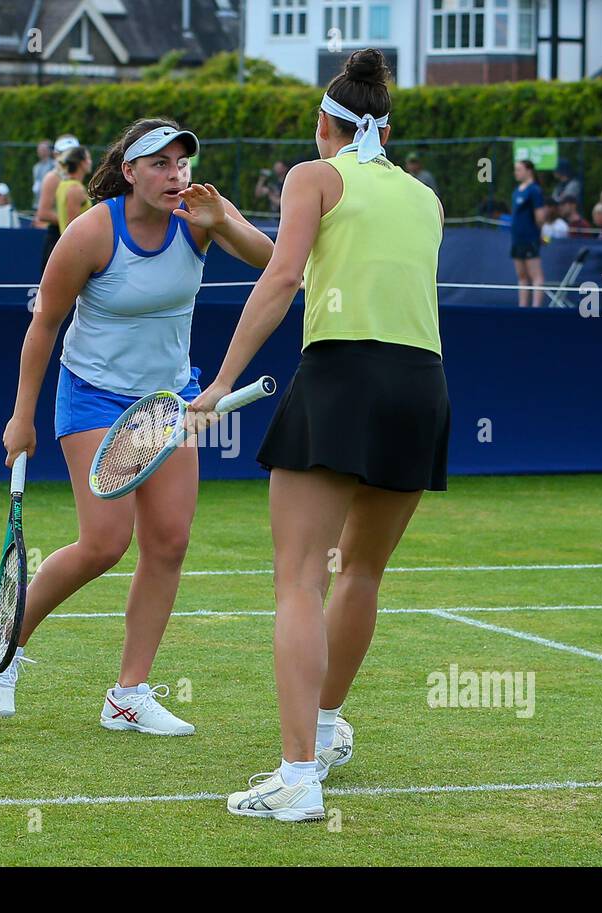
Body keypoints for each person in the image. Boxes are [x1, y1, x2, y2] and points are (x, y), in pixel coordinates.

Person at [190, 47, 449, 821]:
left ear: (323, 124)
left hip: (342, 378)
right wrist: (229, 222)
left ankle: (297, 777)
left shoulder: (312, 176)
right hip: (422, 387)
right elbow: (315, 275)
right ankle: (326, 733)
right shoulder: (425, 199)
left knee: (298, 578)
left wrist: (219, 383)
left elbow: (282, 281)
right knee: (360, 572)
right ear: (386, 128)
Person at [0, 118, 275, 731]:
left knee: (168, 542)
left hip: (171, 401)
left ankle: (129, 696)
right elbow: (44, 326)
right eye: (160, 165)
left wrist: (221, 218)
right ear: (130, 172)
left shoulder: (198, 219)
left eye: (181, 164)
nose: (175, 176)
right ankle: (1, 648)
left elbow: (274, 264)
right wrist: (20, 416)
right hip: (91, 396)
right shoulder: (91, 233)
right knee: (105, 543)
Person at [34, 133, 81, 272]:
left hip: (70, 236)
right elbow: (43, 213)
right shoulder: (53, 178)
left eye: (74, 153)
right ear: (56, 155)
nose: (70, 158)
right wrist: (72, 221)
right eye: (66, 153)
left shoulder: (73, 178)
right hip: (57, 238)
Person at [510, 158, 547, 307]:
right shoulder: (516, 191)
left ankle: (536, 309)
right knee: (522, 276)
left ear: (529, 171)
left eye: (519, 169)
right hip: (517, 239)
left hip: (530, 239)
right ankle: (522, 308)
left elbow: (540, 217)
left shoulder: (535, 190)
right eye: (515, 169)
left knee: (536, 276)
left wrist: (541, 235)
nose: (516, 173)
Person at [55, 146, 92, 235]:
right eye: (88, 158)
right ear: (81, 163)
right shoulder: (76, 189)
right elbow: (72, 227)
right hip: (77, 245)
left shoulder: (63, 185)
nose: (90, 162)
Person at [31, 139, 55, 211]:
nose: (40, 151)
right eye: (39, 149)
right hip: (37, 201)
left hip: (50, 202)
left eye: (43, 149)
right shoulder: (36, 167)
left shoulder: (53, 165)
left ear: (49, 151)